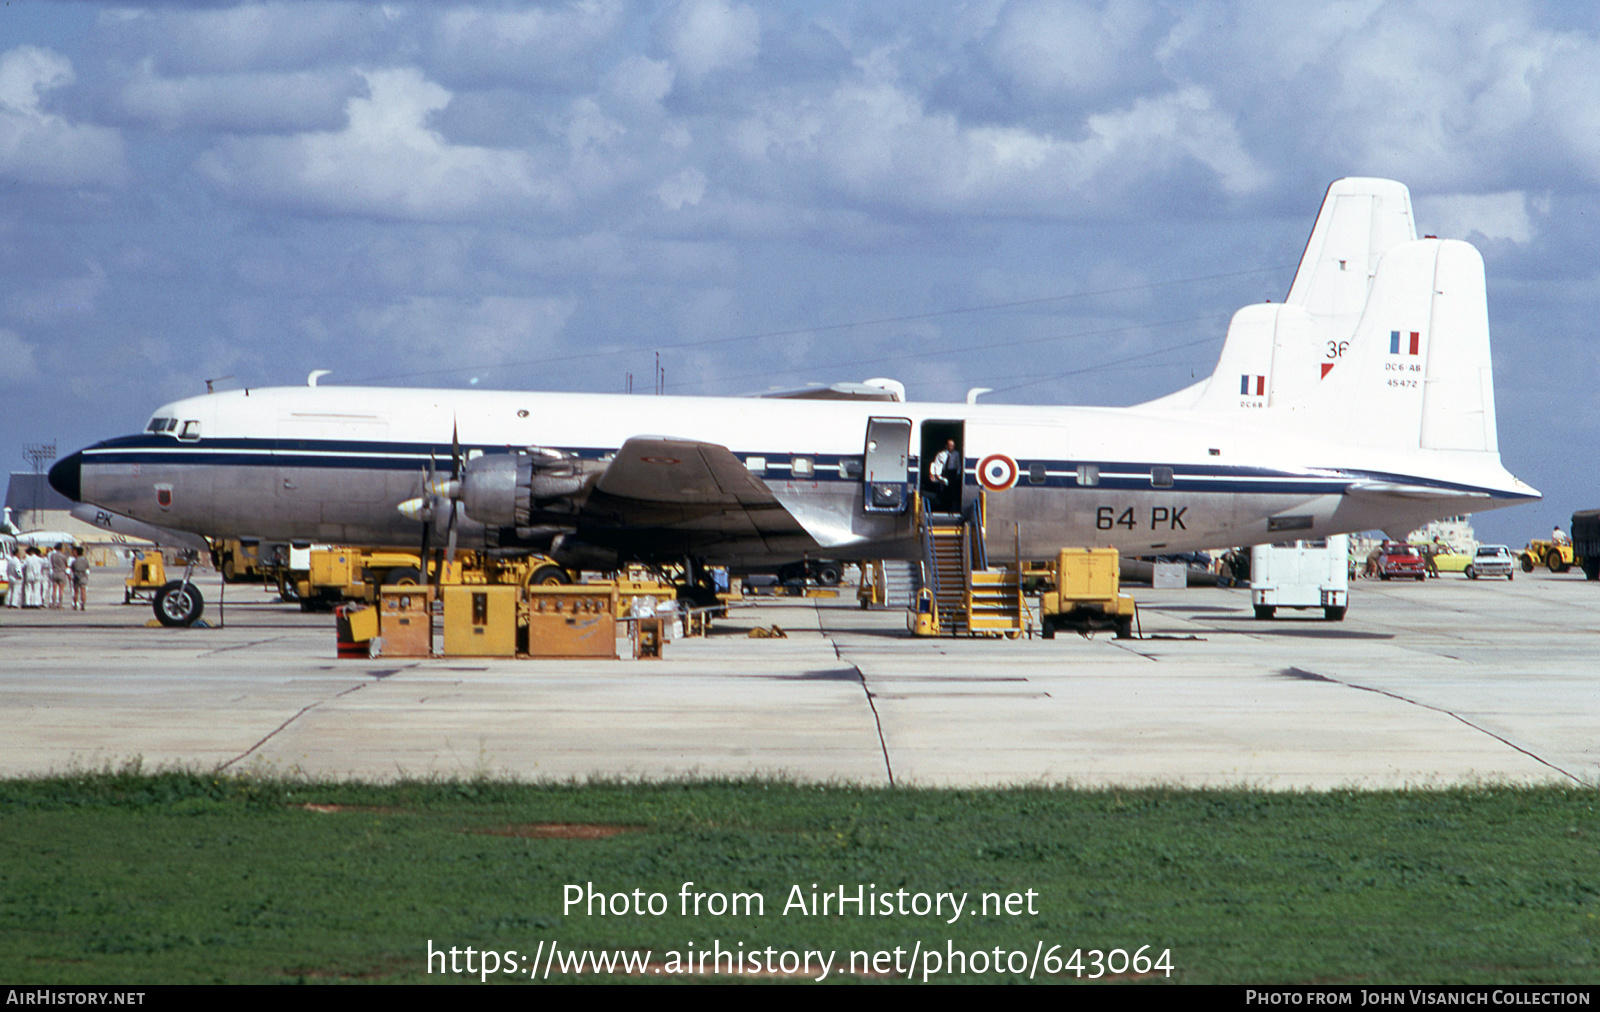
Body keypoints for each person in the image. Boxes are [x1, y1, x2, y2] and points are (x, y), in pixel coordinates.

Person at [928, 438, 961, 512]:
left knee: (952, 491)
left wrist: (958, 474)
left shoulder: (956, 454)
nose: (952, 447)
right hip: (944, 472)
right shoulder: (941, 454)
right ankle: (943, 507)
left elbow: (958, 464)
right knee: (943, 490)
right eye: (950, 446)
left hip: (952, 472)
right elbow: (936, 465)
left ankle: (951, 508)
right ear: (946, 446)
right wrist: (937, 475)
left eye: (953, 446)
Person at [47, 543, 69, 609]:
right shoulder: (63, 556)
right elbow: (66, 564)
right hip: (61, 573)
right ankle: (60, 604)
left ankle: (53, 603)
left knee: (54, 589)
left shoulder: (52, 556)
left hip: (55, 572)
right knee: (61, 590)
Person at [70, 546, 89, 610]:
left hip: (76, 576)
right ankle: (84, 605)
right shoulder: (85, 561)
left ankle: (75, 605)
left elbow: (72, 568)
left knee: (76, 592)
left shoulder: (74, 561)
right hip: (83, 576)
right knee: (83, 591)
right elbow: (87, 567)